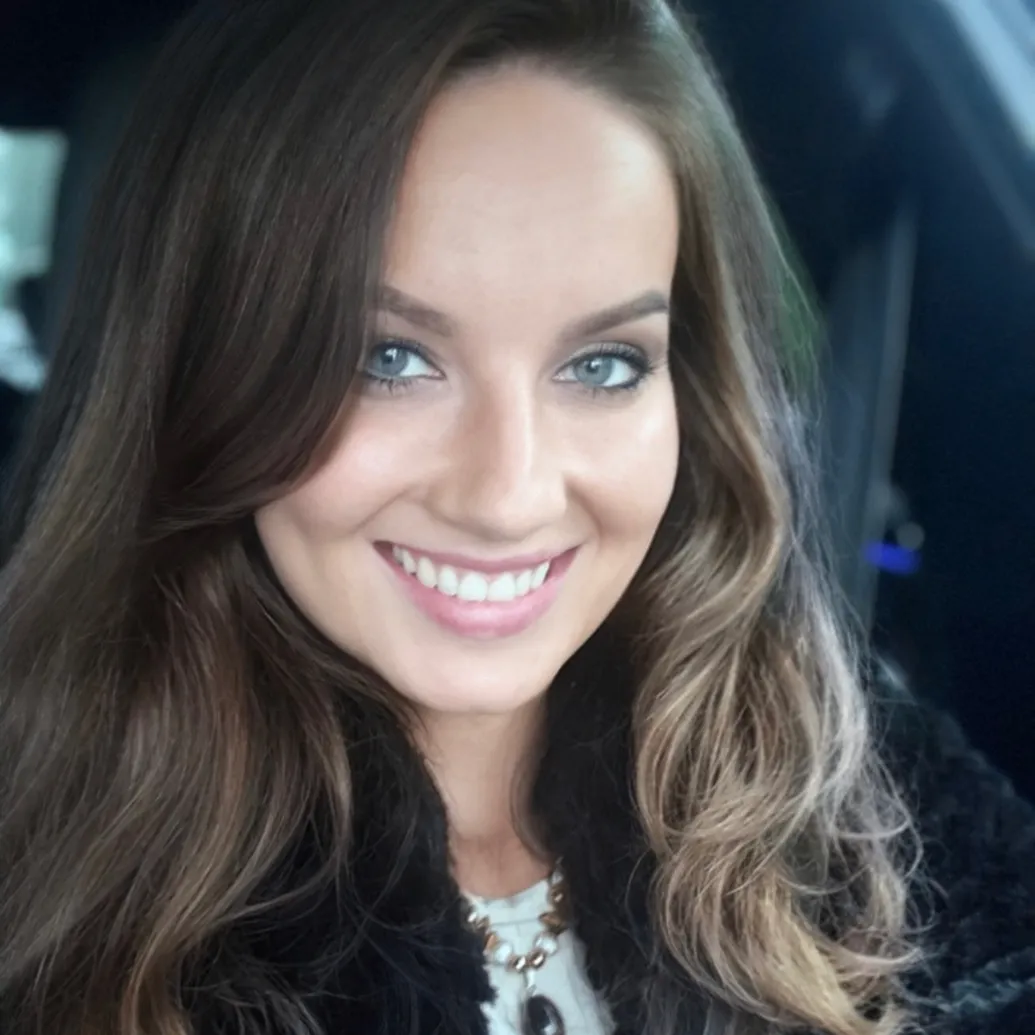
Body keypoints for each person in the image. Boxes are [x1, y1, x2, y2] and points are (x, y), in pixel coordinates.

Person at [1, 1, 1033, 1033]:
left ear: (691, 389)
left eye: (603, 365)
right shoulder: (47, 888)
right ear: (206, 374)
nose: (510, 496)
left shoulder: (848, 787)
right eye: (388, 358)